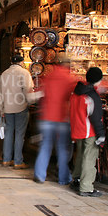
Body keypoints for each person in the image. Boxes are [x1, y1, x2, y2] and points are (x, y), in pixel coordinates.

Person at [33, 56, 77, 184]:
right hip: (61, 117)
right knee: (62, 148)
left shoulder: (48, 77)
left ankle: (40, 174)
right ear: (68, 66)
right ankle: (64, 178)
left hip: (46, 117)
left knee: (45, 146)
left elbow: (40, 93)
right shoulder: (69, 79)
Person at [70, 67, 106, 197]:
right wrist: (101, 134)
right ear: (98, 80)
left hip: (77, 128)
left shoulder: (77, 92)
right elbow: (95, 117)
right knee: (89, 158)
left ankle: (77, 179)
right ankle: (86, 187)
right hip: (88, 130)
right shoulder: (92, 96)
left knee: (80, 155)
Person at [0, 54, 39, 169]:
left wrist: (2, 109)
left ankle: (6, 159)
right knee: (19, 135)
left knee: (8, 133)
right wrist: (32, 101)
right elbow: (28, 90)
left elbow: (0, 94)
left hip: (7, 108)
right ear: (21, 62)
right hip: (21, 107)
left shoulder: (4, 74)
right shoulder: (24, 73)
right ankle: (17, 161)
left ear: (11, 62)